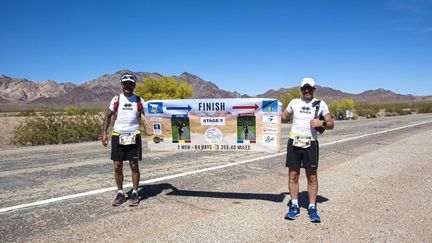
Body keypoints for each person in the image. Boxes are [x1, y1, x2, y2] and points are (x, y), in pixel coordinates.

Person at [281, 77, 334, 222]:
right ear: (300, 89)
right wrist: (269, 113)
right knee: (293, 175)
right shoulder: (294, 102)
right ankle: (294, 206)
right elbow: (283, 117)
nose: (307, 90)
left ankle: (312, 207)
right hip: (294, 142)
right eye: (304, 88)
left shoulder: (321, 104)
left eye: (309, 88)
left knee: (312, 177)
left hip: (311, 144)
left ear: (314, 89)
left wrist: (321, 122)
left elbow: (330, 124)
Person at [101, 73, 145, 207]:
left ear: (134, 85)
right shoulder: (116, 99)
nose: (128, 86)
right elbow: (108, 116)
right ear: (122, 85)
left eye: (130, 84)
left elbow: (148, 116)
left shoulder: (139, 100)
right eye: (125, 83)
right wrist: (104, 132)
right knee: (117, 166)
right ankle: (120, 193)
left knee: (133, 165)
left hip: (134, 135)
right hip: (118, 135)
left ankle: (135, 192)